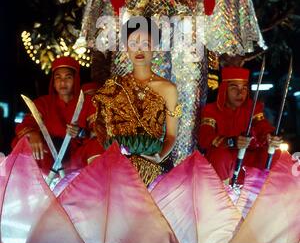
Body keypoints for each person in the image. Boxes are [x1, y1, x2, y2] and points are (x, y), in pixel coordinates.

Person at [90, 16, 181, 186]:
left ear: (154, 47)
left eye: (145, 44)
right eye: (133, 44)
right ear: (126, 48)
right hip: (118, 165)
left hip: (153, 165)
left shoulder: (168, 89)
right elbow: (102, 130)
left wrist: (158, 157)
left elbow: (171, 135)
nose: (139, 50)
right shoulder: (114, 87)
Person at [13, 56, 100, 171]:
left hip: (77, 158)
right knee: (22, 143)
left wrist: (81, 133)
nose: (63, 82)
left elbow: (99, 131)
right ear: (53, 82)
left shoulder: (88, 102)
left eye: (68, 77)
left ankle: (93, 182)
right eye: (58, 77)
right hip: (49, 157)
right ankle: (37, 181)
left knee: (98, 144)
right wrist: (33, 134)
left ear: (75, 80)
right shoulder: (43, 103)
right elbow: (26, 124)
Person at [198, 66, 282, 184]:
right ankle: (222, 193)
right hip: (223, 160)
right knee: (220, 155)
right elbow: (205, 138)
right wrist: (231, 141)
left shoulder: (253, 107)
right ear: (224, 89)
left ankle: (263, 191)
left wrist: (271, 136)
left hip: (248, 158)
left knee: (275, 152)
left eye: (244, 88)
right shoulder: (211, 110)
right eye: (234, 88)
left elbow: (262, 126)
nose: (240, 93)